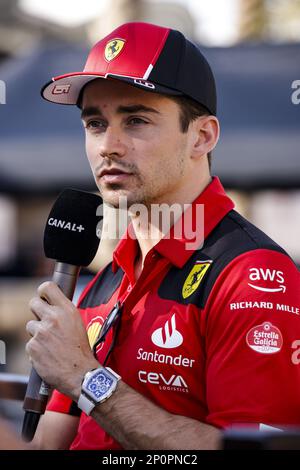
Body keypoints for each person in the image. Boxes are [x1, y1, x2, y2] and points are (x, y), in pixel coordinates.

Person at [26, 22, 300, 450]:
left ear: (202, 136)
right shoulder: (104, 278)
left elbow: (252, 448)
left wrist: (86, 376)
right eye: (95, 124)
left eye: (135, 120)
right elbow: (48, 443)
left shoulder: (253, 276)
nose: (108, 146)